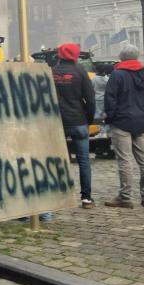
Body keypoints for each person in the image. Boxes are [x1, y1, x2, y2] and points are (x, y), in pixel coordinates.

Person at [102, 46, 144, 208]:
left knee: (124, 160)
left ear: (122, 57)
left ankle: (125, 197)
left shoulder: (117, 74)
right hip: (141, 121)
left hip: (121, 121)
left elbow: (110, 99)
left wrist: (111, 117)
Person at [52, 42, 95, 208]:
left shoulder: (52, 72)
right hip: (78, 120)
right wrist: (88, 119)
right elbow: (90, 100)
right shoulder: (80, 72)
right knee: (84, 160)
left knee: (57, 160)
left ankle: (59, 195)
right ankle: (86, 198)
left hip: (57, 121)